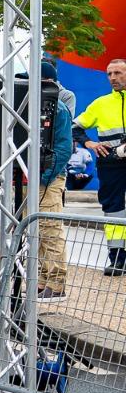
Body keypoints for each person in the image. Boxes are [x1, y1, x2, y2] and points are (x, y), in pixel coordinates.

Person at [72, 58, 126, 275]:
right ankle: (117, 259)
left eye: (118, 73)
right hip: (111, 165)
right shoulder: (100, 104)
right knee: (113, 210)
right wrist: (90, 143)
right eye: (110, 74)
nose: (113, 78)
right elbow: (75, 127)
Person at [30, 59, 74, 300]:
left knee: (49, 228)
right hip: (35, 177)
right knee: (37, 230)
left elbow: (63, 148)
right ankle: (43, 279)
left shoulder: (59, 109)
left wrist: (45, 177)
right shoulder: (34, 106)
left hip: (48, 177)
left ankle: (56, 283)